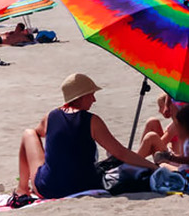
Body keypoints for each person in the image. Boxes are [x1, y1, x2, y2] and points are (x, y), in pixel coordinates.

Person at [9, 73, 155, 206]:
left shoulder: (51, 117)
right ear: (81, 96)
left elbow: (37, 133)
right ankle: (23, 187)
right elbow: (121, 153)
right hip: (84, 185)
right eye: (91, 95)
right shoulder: (92, 120)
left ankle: (22, 188)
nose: (94, 99)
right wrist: (153, 167)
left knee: (28, 133)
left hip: (49, 188)